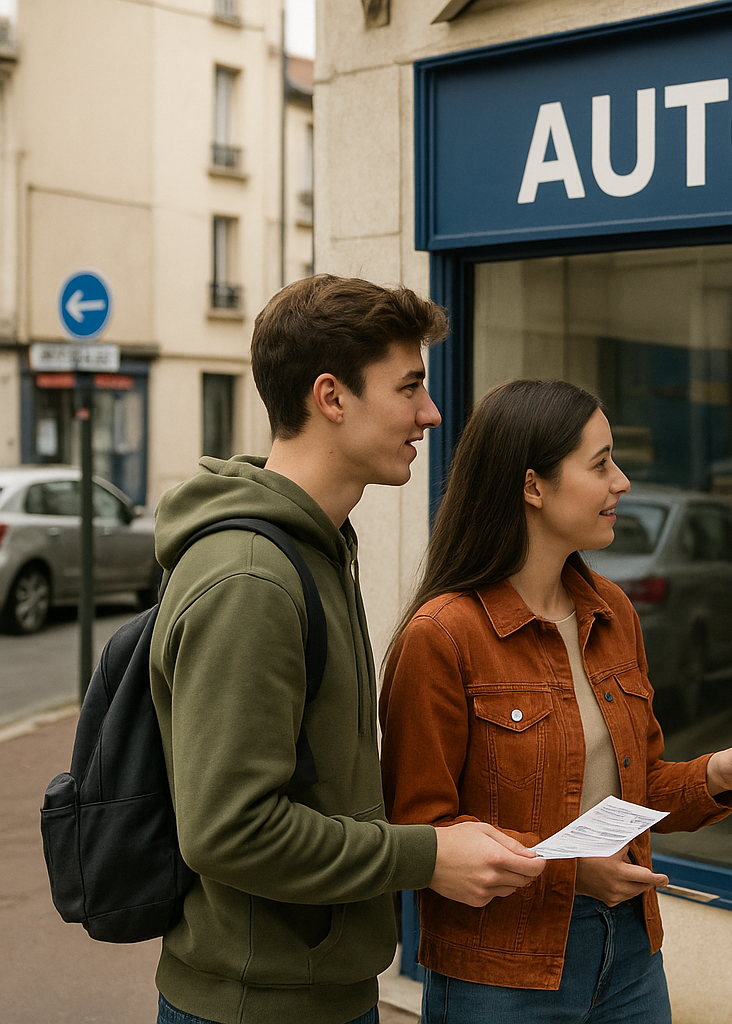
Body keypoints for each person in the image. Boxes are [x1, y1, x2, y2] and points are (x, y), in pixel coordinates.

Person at [149, 275, 546, 1024]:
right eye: (409, 389)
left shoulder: (319, 548)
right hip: (257, 1006)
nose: (430, 414)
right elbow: (229, 830)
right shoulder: (253, 578)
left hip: (314, 991)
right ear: (331, 397)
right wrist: (426, 855)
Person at [379, 377, 732, 1024]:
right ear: (533, 487)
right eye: (601, 463)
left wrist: (715, 776)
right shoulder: (444, 636)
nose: (623, 483)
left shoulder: (612, 612)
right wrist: (573, 876)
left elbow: (633, 798)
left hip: (631, 953)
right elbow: (422, 838)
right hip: (500, 972)